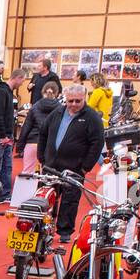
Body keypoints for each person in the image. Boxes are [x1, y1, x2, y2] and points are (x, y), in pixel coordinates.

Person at [37, 84, 104, 243]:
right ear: (65, 99)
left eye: (77, 101)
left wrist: (85, 167)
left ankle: (65, 231)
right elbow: (43, 133)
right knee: (44, 197)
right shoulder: (57, 112)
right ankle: (40, 227)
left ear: (84, 98)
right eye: (70, 101)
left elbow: (97, 143)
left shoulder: (92, 117)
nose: (73, 104)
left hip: (74, 167)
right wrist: (41, 157)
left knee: (70, 200)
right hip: (50, 165)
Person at [0, 67, 27, 204]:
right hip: (0, 136)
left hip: (6, 135)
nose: (22, 84)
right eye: (23, 80)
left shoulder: (7, 92)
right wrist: (3, 135)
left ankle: (5, 193)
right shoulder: (2, 92)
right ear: (18, 78)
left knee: (6, 166)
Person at [16, 81, 60, 174]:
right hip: (50, 144)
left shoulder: (35, 107)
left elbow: (26, 127)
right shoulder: (61, 108)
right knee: (48, 173)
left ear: (42, 92)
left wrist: (20, 146)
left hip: (33, 141)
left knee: (28, 171)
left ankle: (27, 189)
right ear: (56, 93)